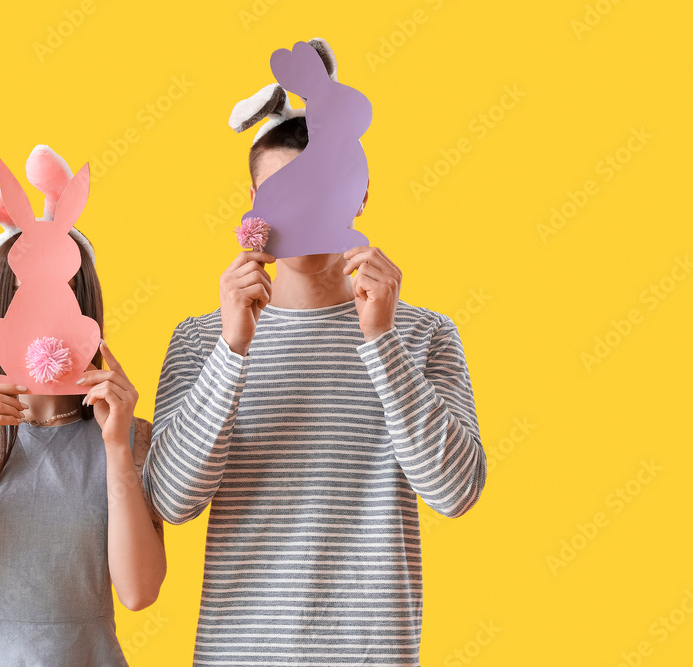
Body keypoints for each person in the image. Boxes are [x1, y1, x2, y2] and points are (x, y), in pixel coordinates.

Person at [142, 114, 486, 665]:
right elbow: (172, 501)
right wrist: (232, 349)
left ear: (359, 194)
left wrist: (380, 339)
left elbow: (456, 492)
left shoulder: (425, 334)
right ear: (254, 201)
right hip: (238, 653)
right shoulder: (201, 338)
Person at [0, 224, 166, 666]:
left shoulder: (130, 437)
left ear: (88, 312)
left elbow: (139, 593)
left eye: (65, 294)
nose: (46, 314)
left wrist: (116, 449)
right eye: (25, 294)